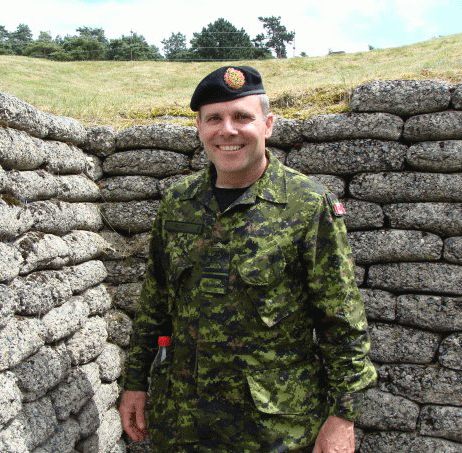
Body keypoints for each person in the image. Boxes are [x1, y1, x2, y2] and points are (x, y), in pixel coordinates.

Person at [119, 66, 377, 453]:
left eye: (242, 117)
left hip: (275, 428)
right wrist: (135, 382)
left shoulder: (307, 204)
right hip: (186, 422)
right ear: (200, 128)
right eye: (214, 119)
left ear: (268, 124)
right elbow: (155, 303)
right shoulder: (178, 203)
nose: (228, 130)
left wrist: (343, 415)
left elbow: (341, 318)